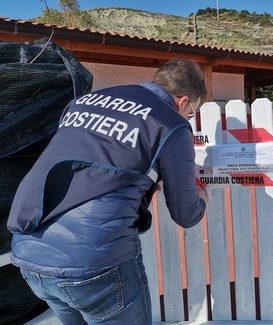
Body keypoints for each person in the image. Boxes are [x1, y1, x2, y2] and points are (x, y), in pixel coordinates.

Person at [7, 58, 209, 324]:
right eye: (192, 112)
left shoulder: (85, 101)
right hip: (95, 264)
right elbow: (186, 213)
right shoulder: (170, 122)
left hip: (30, 252)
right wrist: (202, 196)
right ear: (183, 102)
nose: (188, 117)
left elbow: (88, 162)